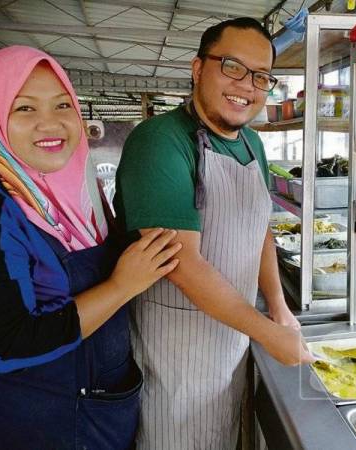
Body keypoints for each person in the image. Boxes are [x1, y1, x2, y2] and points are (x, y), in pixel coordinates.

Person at [0, 45, 181, 450]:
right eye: (24, 109)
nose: (50, 124)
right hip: (27, 421)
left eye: (62, 106)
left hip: (100, 414)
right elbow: (1, 344)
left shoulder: (82, 192)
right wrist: (122, 286)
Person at [115, 17, 315, 450]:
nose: (247, 85)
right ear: (198, 68)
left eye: (261, 75)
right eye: (232, 66)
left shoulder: (253, 145)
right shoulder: (160, 141)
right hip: (177, 351)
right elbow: (181, 264)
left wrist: (278, 308)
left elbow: (260, 227)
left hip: (232, 338)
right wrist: (266, 332)